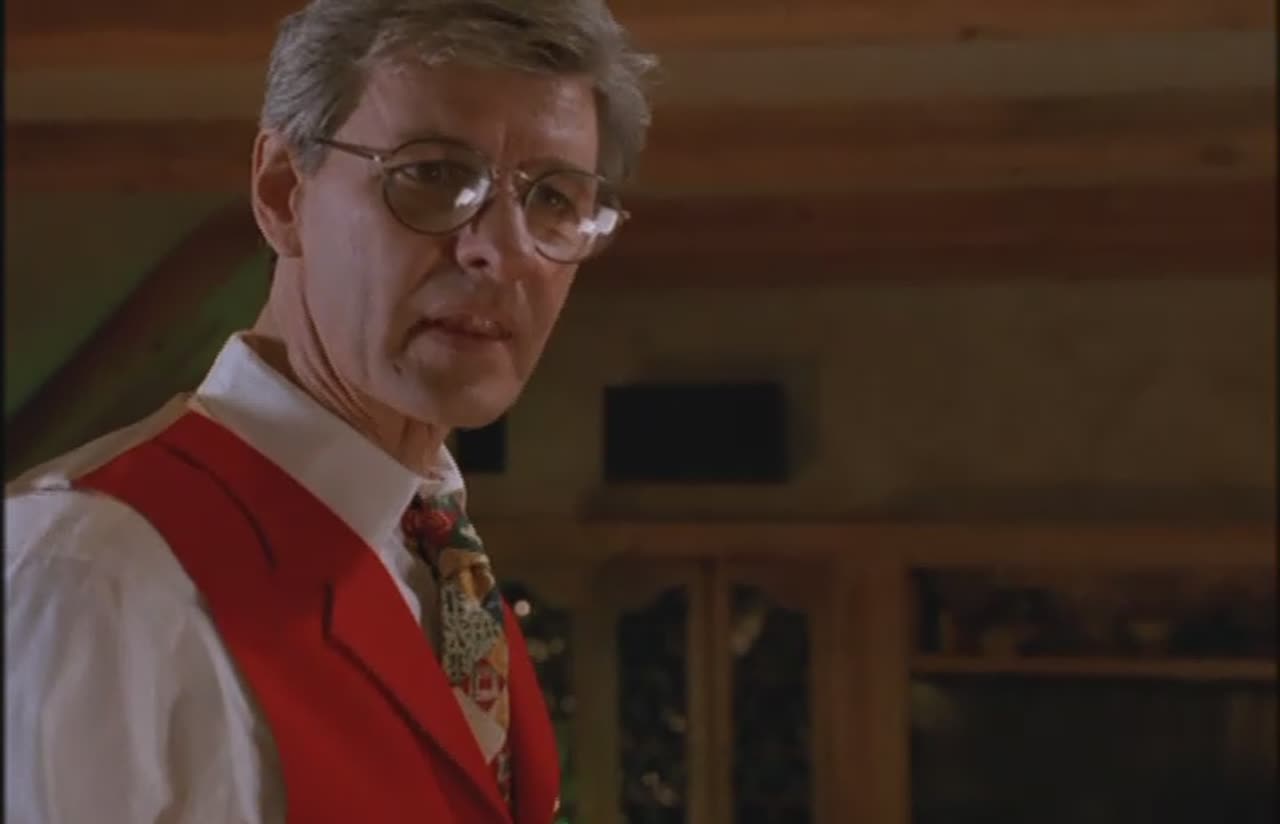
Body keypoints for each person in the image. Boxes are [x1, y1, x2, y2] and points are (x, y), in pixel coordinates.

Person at [4, 1, 655, 822]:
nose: (503, 251)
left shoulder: (441, 563)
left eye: (554, 196)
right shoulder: (89, 573)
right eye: (433, 174)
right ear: (282, 192)